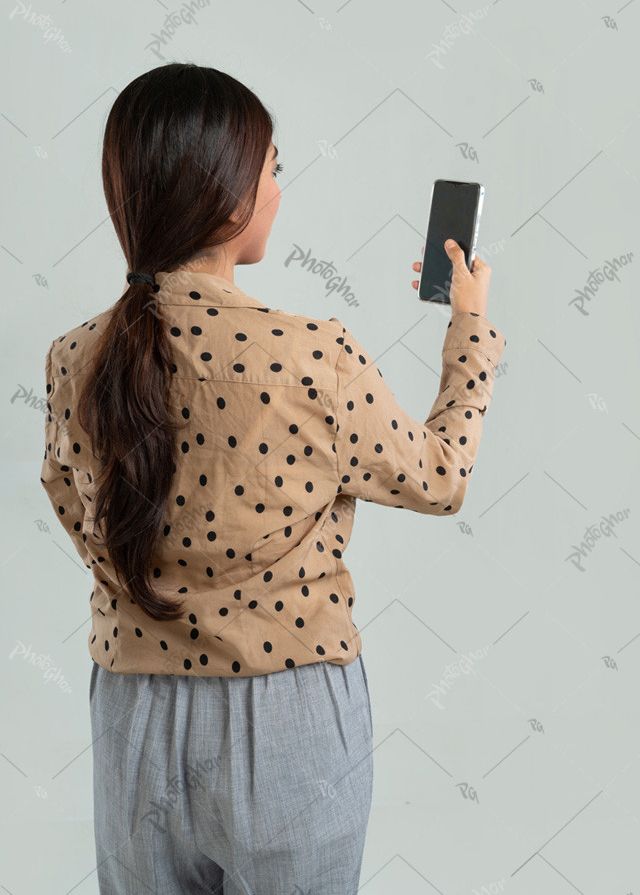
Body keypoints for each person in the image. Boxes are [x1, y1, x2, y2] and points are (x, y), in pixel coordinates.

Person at [40, 62, 506, 895]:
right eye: (273, 170)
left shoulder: (76, 357)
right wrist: (469, 334)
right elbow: (440, 479)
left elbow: (73, 507)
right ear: (227, 201)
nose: (279, 189)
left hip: (132, 711)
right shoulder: (315, 356)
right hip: (288, 717)